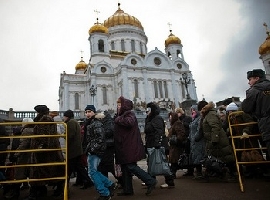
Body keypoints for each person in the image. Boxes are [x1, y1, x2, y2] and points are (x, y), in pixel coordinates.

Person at [114, 96, 157, 196]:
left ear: (124, 106)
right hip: (123, 146)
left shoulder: (129, 114)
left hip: (129, 146)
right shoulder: (121, 115)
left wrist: (118, 119)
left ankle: (150, 181)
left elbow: (129, 122)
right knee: (125, 167)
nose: (118, 106)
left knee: (130, 166)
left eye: (120, 105)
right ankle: (128, 189)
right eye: (118, 105)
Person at [24, 105, 65, 200]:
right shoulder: (45, 119)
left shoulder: (44, 120)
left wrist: (40, 147)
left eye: (37, 112)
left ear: (40, 112)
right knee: (49, 172)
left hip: (44, 152)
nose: (36, 113)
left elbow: (44, 136)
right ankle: (41, 191)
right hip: (48, 151)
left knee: (39, 172)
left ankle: (35, 193)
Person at [84, 105, 115, 200]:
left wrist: (92, 149)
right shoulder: (90, 123)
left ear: (94, 112)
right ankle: (109, 185)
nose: (87, 114)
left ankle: (105, 193)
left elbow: (100, 139)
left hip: (95, 151)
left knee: (92, 172)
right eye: (86, 112)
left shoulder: (96, 123)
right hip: (93, 150)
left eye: (89, 111)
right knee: (94, 171)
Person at [200, 101, 236, 181]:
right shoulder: (209, 114)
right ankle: (222, 173)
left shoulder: (210, 115)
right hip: (215, 139)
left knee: (225, 156)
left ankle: (234, 173)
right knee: (219, 157)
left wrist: (214, 139)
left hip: (218, 140)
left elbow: (215, 127)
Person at [241, 69, 270, 168]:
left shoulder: (255, 89)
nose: (249, 82)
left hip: (267, 123)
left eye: (250, 79)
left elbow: (246, 107)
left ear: (257, 78)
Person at [144, 102, 175, 189]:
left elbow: (159, 132)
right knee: (151, 162)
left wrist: (157, 144)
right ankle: (151, 181)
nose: (147, 111)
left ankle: (170, 182)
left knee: (162, 163)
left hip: (157, 145)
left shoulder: (157, 118)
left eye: (148, 109)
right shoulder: (150, 118)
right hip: (151, 143)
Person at [63, 110, 93, 195]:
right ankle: (86, 181)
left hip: (73, 150)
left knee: (72, 168)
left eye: (64, 116)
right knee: (79, 167)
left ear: (67, 116)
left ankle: (65, 186)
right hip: (76, 150)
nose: (63, 118)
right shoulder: (74, 122)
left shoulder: (70, 123)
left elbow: (70, 135)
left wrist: (64, 137)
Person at [4, 118, 33, 199]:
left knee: (19, 174)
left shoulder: (24, 131)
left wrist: (15, 154)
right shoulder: (34, 130)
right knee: (31, 174)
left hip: (23, 156)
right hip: (31, 156)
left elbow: (22, 144)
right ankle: (31, 190)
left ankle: (15, 193)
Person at [98, 110, 123, 188]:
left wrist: (101, 132)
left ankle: (121, 181)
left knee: (109, 166)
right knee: (104, 166)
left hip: (109, 145)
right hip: (106, 146)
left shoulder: (109, 122)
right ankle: (107, 182)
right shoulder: (105, 122)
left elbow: (110, 131)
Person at [189, 104, 206, 180]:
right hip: (193, 141)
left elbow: (199, 130)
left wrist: (195, 137)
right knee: (195, 156)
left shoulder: (199, 119)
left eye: (194, 110)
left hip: (198, 141)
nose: (192, 111)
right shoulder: (193, 120)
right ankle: (198, 173)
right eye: (191, 110)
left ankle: (200, 173)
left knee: (199, 156)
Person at [175, 107, 193, 176]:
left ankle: (190, 170)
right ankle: (188, 169)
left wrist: (183, 124)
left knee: (188, 154)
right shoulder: (178, 120)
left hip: (187, 138)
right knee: (185, 154)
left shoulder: (187, 118)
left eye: (177, 113)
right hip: (183, 139)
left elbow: (189, 126)